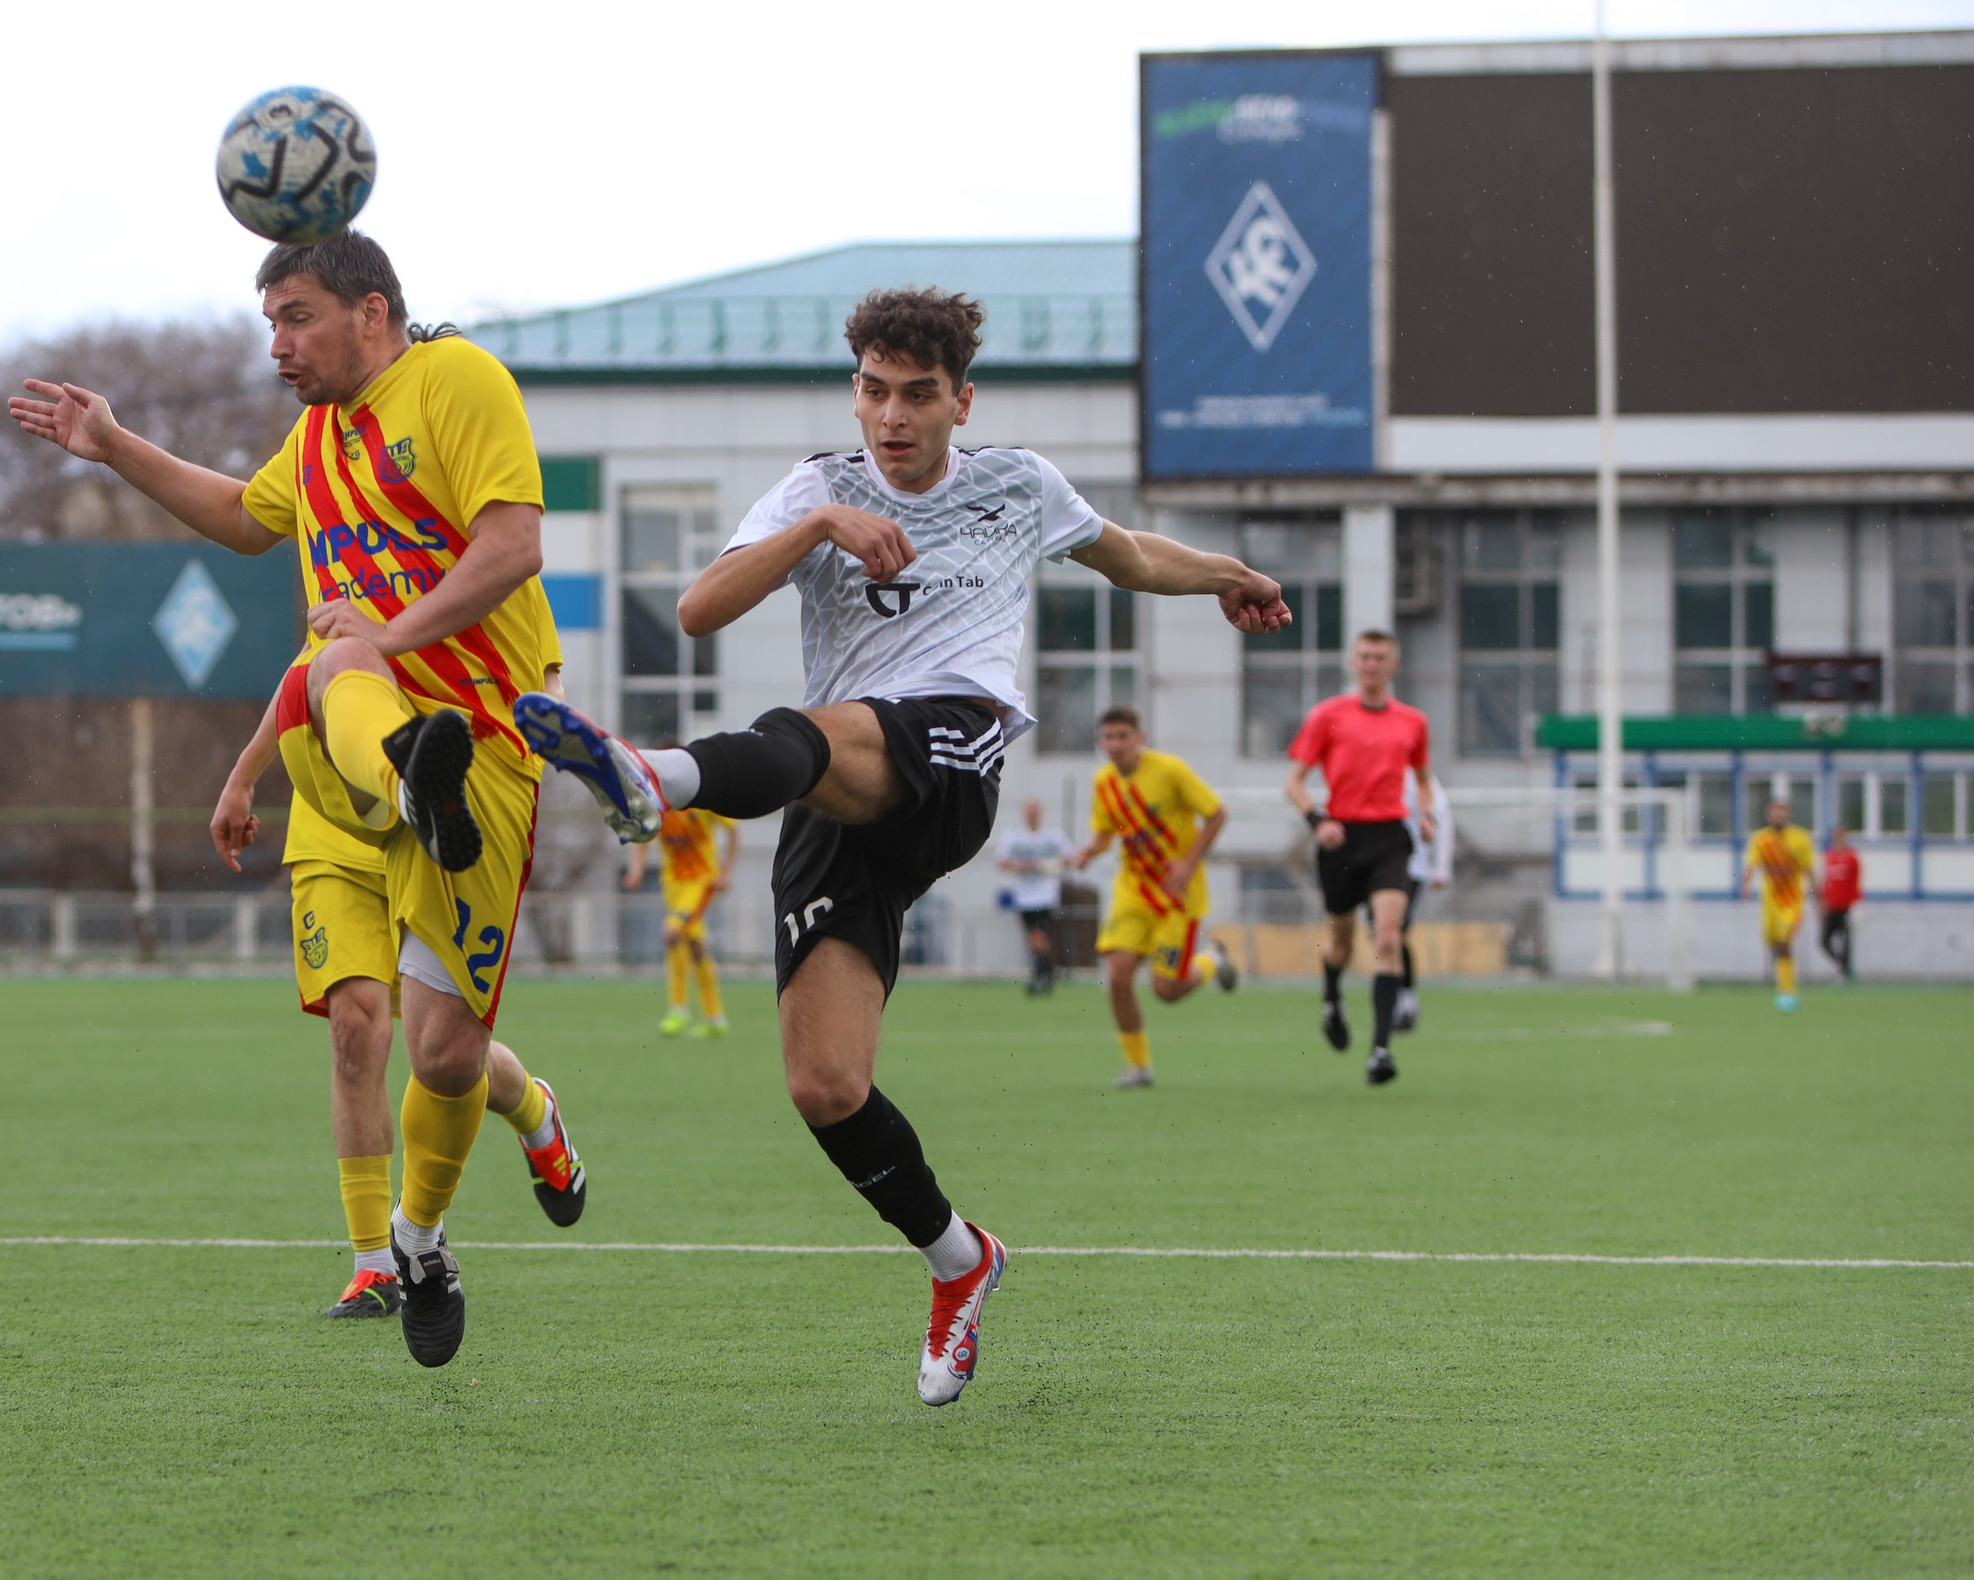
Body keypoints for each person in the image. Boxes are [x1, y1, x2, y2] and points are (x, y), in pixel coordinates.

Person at [509, 288, 1289, 1405]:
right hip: (835, 789)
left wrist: (1231, 575)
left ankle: (655, 777)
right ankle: (959, 1259)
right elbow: (697, 610)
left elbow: (1126, 557)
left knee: (818, 737)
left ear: (959, 401)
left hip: (952, 751)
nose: (892, 416)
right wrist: (818, 528)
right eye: (874, 391)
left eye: (918, 395)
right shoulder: (816, 485)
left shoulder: (1015, 483)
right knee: (825, 1086)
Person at [10, 230, 554, 1369]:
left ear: (371, 312)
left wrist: (392, 632)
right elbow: (243, 521)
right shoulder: (314, 437)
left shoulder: (455, 380)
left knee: (448, 1056)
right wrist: (112, 446)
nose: (278, 346)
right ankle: (403, 766)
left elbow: (512, 547)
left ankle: (420, 1240)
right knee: (333, 671)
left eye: (295, 317)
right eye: (269, 323)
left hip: (488, 744)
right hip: (355, 757)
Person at [211, 655, 586, 1322]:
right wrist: (243, 776)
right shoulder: (337, 553)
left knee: (442, 1048)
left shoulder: (476, 559)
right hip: (336, 829)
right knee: (356, 1029)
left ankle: (533, 1108)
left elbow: (537, 667)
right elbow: (303, 675)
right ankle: (373, 1267)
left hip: (433, 827)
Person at [1284, 630, 1437, 1087]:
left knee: (1388, 938)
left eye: (1380, 658)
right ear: (1353, 663)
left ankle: (1381, 1049)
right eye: (1365, 657)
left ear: (1394, 665)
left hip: (1390, 836)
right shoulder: (1328, 715)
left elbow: (1425, 781)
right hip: (1341, 838)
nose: (1372, 665)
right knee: (1342, 946)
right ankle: (1332, 999)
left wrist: (1425, 816)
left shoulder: (1413, 722)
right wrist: (1317, 820)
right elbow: (1294, 782)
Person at [1068, 705, 1236, 1088]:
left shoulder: (1170, 770)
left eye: (1123, 736)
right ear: (1100, 742)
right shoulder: (1103, 783)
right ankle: (1139, 1066)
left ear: (1139, 738)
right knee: (1118, 975)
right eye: (1108, 737)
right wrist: (1088, 852)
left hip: (1179, 895)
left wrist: (1188, 863)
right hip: (1133, 893)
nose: (1115, 744)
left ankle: (1212, 959)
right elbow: (1105, 833)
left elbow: (1217, 814)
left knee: (1167, 991)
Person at [625, 806, 738, 1036]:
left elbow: (733, 831)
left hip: (702, 882)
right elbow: (642, 837)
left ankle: (679, 1009)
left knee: (671, 934)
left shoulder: (703, 800)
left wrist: (726, 872)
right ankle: (715, 1018)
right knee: (696, 948)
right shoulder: (659, 807)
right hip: (673, 886)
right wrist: (636, 870)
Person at [1388, 770, 1454, 1033]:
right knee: (1382, 935)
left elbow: (1444, 819)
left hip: (1411, 869)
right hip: (1376, 866)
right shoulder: (1374, 766)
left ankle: (1405, 1001)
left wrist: (1442, 867)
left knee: (1394, 933)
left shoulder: (1418, 775)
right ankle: (1396, 998)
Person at [1740, 795, 1816, 1011]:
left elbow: (1808, 868)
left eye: (1782, 811)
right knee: (1774, 945)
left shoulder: (1799, 838)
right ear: (1768, 815)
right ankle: (1784, 988)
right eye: (1775, 811)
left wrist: (1818, 898)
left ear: (1787, 815)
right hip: (1770, 904)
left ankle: (1788, 992)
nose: (1778, 815)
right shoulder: (1761, 839)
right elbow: (1751, 864)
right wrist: (1745, 885)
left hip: (1791, 903)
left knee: (1784, 942)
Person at [995, 800, 1074, 995]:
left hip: (1046, 895)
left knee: (1039, 934)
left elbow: (1070, 857)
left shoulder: (1052, 836)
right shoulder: (1014, 836)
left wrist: (1050, 865)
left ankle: (1042, 972)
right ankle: (1045, 971)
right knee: (1034, 937)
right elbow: (1001, 861)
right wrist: (1020, 867)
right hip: (1024, 896)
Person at [1818, 825, 1860, 983]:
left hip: (1846, 906)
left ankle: (1844, 972)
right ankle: (1843, 967)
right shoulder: (1829, 856)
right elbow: (1825, 881)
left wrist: (1857, 905)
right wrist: (1822, 903)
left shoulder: (1852, 857)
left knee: (1845, 940)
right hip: (1831, 906)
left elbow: (1856, 882)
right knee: (1823, 941)